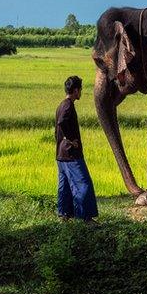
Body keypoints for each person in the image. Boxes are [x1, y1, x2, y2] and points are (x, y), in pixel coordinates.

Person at [55, 76, 98, 221]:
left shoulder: (61, 105)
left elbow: (58, 128)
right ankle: (85, 218)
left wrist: (63, 140)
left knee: (65, 186)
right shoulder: (68, 106)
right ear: (75, 90)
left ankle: (64, 215)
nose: (81, 93)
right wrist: (71, 141)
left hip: (61, 155)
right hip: (71, 154)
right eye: (80, 90)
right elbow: (62, 122)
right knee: (83, 183)